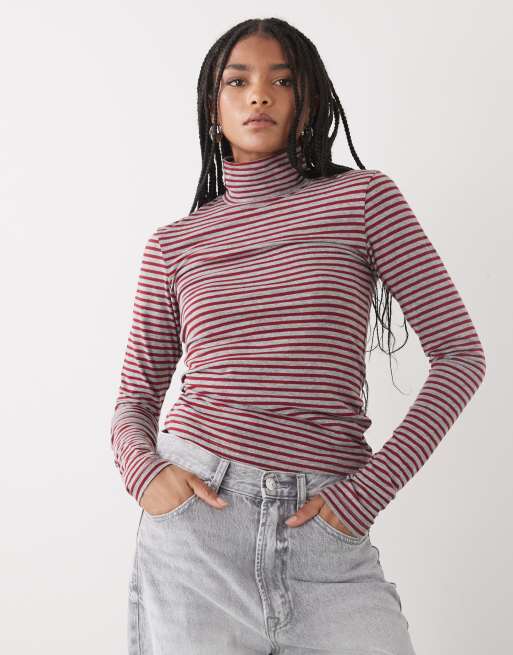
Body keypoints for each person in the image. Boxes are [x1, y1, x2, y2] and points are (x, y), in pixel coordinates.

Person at [110, 17, 486, 655]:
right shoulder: (175, 245)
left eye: (281, 81)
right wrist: (145, 473)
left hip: (328, 531)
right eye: (238, 82)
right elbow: (135, 399)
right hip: (197, 529)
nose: (259, 94)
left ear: (307, 100)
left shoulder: (363, 201)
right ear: (212, 107)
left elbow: (459, 356)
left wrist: (367, 493)